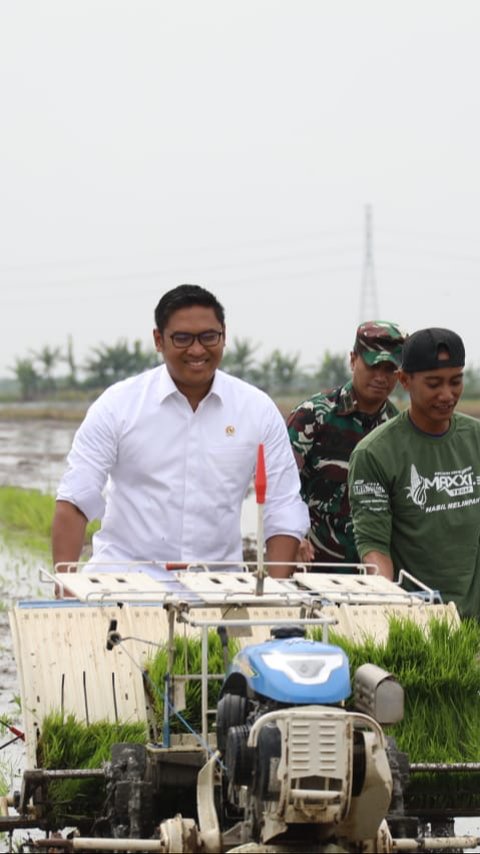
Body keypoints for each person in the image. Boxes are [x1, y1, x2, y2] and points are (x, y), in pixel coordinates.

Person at [52, 284, 309, 581]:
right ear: (158, 340)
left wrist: (271, 593)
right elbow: (76, 499)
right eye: (182, 338)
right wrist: (65, 587)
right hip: (124, 583)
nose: (197, 350)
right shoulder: (117, 406)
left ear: (224, 336)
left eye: (209, 337)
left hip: (218, 590)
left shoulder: (257, 410)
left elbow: (283, 507)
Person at [348, 327, 480, 618]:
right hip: (418, 618)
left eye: (455, 381)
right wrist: (387, 607)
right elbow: (374, 547)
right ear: (404, 381)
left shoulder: (475, 439)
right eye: (434, 384)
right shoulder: (375, 454)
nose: (447, 395)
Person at [287, 321, 406, 566]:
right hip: (314, 564)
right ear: (353, 360)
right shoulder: (313, 417)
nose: (381, 377)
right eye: (373, 366)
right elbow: (282, 486)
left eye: (389, 369)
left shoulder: (398, 428)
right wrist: (292, 534)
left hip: (374, 568)